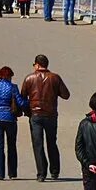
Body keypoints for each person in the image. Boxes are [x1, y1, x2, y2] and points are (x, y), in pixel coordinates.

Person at [19, 54, 71, 182]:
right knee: (52, 143)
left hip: (35, 115)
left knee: (38, 144)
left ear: (37, 64)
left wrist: (27, 110)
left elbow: (22, 96)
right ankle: (55, 171)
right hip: (51, 115)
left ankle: (41, 174)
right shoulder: (55, 78)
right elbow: (66, 95)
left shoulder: (29, 78)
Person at [0, 65, 27, 179]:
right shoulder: (13, 87)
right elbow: (21, 103)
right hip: (10, 118)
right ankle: (12, 173)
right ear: (10, 76)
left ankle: (0, 174)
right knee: (11, 145)